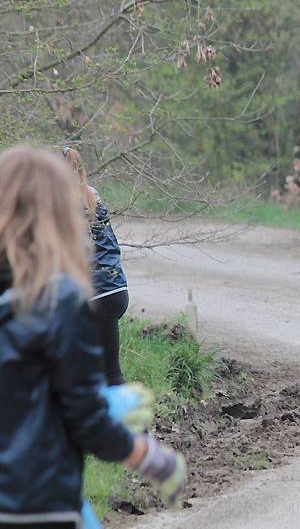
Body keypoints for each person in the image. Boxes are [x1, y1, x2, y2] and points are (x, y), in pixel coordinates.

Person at [0, 147, 185, 528]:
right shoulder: (61, 303)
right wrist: (149, 458)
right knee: (113, 374)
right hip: (39, 504)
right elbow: (83, 416)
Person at [63, 146, 129, 386]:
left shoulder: (63, 203)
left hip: (93, 296)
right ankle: (132, 423)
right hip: (116, 290)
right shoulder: (93, 195)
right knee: (111, 374)